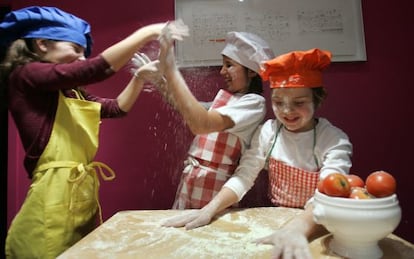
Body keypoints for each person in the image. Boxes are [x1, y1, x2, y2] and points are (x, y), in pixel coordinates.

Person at [0, 6, 187, 258]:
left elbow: (116, 108)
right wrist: (147, 32)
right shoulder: (25, 76)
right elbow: (94, 69)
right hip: (51, 197)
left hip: (81, 192)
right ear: (43, 43)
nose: (80, 58)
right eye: (76, 49)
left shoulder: (71, 91)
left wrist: (140, 77)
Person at [162, 48, 353, 258]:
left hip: (318, 225)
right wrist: (209, 209)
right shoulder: (269, 132)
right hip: (278, 220)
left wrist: (298, 228)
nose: (287, 111)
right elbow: (244, 177)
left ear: (318, 100)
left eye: (299, 103)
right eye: (278, 102)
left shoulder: (334, 139)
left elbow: (328, 193)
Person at [156, 30, 275, 209]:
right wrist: (161, 83)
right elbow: (189, 109)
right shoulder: (226, 100)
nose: (222, 71)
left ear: (251, 72)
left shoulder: (253, 104)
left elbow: (201, 124)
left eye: (229, 65)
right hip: (193, 178)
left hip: (216, 187)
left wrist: (172, 71)